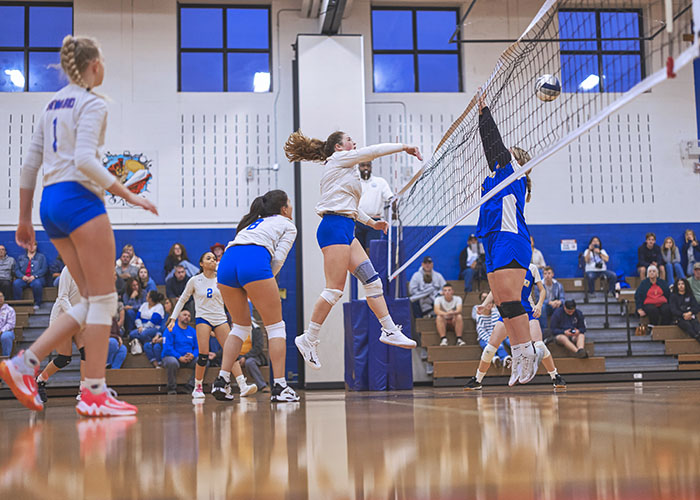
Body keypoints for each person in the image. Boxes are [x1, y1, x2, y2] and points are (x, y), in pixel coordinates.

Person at [0, 35, 157, 416]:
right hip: (79, 200)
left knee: (91, 300)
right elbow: (86, 160)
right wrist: (129, 194)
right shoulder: (92, 103)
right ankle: (92, 392)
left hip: (49, 203)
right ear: (94, 65)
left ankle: (36, 368)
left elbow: (29, 164)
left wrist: (23, 217)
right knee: (104, 300)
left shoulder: (51, 104)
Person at [284, 130, 420, 369]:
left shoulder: (346, 171)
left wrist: (372, 223)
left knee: (373, 281)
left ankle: (388, 330)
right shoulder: (338, 160)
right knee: (334, 290)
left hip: (347, 227)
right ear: (338, 147)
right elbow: (373, 152)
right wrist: (403, 147)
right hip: (333, 228)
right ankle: (308, 338)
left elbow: (351, 208)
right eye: (349, 140)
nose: (354, 143)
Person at [474, 88, 537, 384]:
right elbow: (493, 152)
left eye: (509, 152)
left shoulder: (513, 173)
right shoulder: (498, 176)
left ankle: (527, 352)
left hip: (511, 239)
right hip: (494, 242)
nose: (503, 153)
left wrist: (484, 114)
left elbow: (494, 146)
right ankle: (518, 354)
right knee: (502, 306)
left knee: (513, 303)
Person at [213, 189, 301, 402]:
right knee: (276, 326)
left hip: (227, 262)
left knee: (240, 327)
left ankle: (222, 381)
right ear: (283, 208)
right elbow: (278, 260)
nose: (290, 207)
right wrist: (260, 284)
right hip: (253, 261)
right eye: (289, 203)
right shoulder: (288, 225)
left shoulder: (253, 223)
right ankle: (280, 386)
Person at [168, 251, 255, 399]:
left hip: (220, 318)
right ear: (201, 264)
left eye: (214, 259)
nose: (212, 260)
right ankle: (198, 387)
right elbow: (182, 300)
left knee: (231, 352)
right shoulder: (195, 280)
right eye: (208, 258)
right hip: (203, 318)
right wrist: (172, 319)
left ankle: (242, 385)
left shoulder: (221, 279)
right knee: (203, 355)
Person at [465, 263, 567, 390]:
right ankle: (477, 380)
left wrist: (539, 305)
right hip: (508, 312)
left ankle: (555, 376)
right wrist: (485, 303)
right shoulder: (505, 266)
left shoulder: (531, 268)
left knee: (539, 345)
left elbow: (542, 290)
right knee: (490, 348)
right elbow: (495, 289)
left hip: (528, 312)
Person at [36, 266, 86, 403]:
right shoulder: (68, 270)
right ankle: (39, 381)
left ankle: (84, 392)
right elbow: (62, 297)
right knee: (64, 358)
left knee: (87, 352)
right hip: (62, 318)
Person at [355, 161, 393, 251]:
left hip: (374, 220)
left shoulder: (380, 182)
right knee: (358, 251)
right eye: (363, 165)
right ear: (359, 167)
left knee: (371, 250)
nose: (365, 168)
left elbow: (390, 198)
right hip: (358, 221)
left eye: (368, 165)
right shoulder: (355, 182)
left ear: (371, 167)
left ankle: (370, 265)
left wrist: (395, 210)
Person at [162, 309, 198, 395]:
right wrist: (179, 357)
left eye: (189, 316)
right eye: (184, 315)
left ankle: (190, 386)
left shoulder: (193, 331)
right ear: (178, 316)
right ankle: (171, 388)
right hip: (172, 357)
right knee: (172, 362)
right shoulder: (170, 329)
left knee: (203, 361)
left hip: (189, 359)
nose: (187, 317)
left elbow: (198, 348)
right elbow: (167, 348)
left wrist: (193, 355)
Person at [472, 291, 510, 368]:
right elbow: (481, 332)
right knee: (486, 346)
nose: (489, 305)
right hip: (484, 338)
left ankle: (505, 358)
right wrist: (490, 340)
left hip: (495, 336)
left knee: (500, 345)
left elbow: (496, 327)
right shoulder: (480, 317)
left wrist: (495, 338)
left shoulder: (495, 314)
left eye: (490, 304)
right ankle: (494, 359)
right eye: (487, 304)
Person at [13, 241, 48, 309]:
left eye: (34, 245)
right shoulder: (21, 257)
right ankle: (18, 303)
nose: (32, 247)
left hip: (37, 278)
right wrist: (22, 276)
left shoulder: (41, 257)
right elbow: (16, 269)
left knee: (37, 284)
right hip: (23, 278)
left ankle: (37, 303)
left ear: (36, 247)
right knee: (16, 283)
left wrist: (34, 276)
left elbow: (44, 269)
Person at [240, 322, 270, 393]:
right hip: (237, 357)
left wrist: (245, 357)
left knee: (250, 362)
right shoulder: (233, 328)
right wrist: (238, 358)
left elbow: (258, 347)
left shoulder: (256, 329)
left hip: (253, 356)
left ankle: (262, 385)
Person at [0, 292, 16, 356]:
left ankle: (5, 358)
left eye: (1, 296)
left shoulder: (10, 310)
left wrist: (1, 331)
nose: (0, 298)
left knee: (6, 336)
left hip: (6, 332)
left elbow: (11, 324)